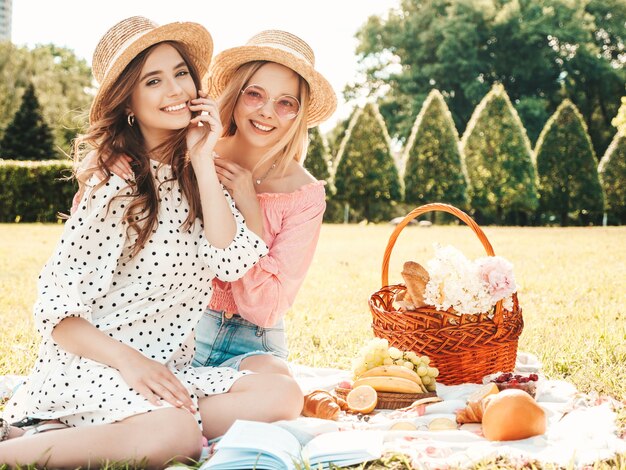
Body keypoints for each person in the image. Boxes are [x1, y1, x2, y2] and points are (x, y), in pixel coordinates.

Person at [0, 16, 302, 468]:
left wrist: (201, 156)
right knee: (175, 435)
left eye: (181, 73)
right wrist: (131, 364)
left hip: (165, 369)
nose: (176, 90)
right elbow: (55, 310)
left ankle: (87, 429)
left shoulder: (201, 173)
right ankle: (19, 447)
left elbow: (235, 261)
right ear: (129, 102)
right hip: (95, 365)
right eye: (154, 80)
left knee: (282, 393)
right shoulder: (114, 181)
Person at [79, 31, 338, 376]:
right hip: (179, 327)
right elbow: (106, 225)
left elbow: (266, 309)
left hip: (256, 341)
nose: (266, 113)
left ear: (298, 114)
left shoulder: (304, 195)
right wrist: (100, 159)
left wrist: (250, 207)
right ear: (236, 95)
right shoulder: (195, 152)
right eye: (255, 95)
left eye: (285, 102)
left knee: (279, 391)